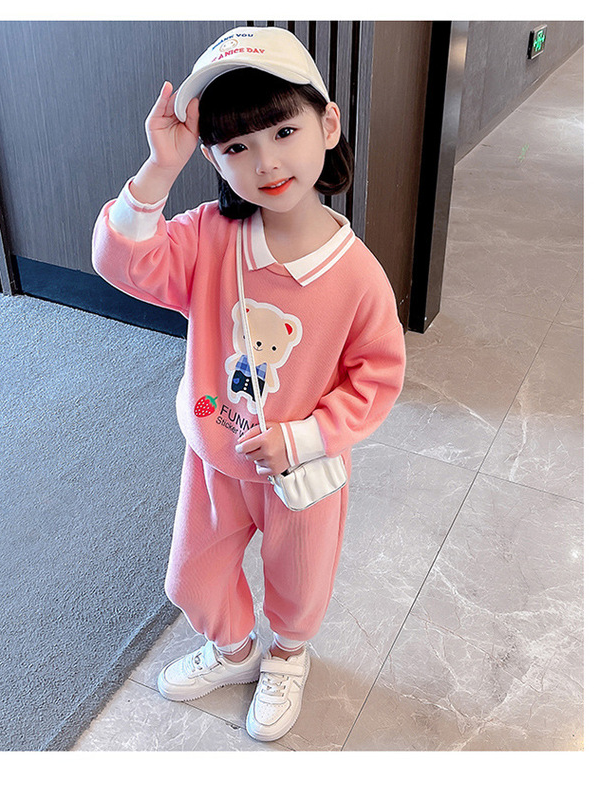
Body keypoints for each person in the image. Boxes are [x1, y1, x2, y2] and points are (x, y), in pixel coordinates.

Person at [92, 25, 406, 742]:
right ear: (212, 158)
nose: (265, 162)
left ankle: (287, 657)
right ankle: (234, 653)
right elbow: (122, 260)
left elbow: (378, 376)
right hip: (214, 453)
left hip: (303, 472)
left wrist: (305, 437)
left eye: (284, 131)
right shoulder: (208, 235)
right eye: (236, 147)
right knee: (192, 578)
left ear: (328, 125)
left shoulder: (357, 276)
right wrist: (159, 169)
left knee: (299, 581)